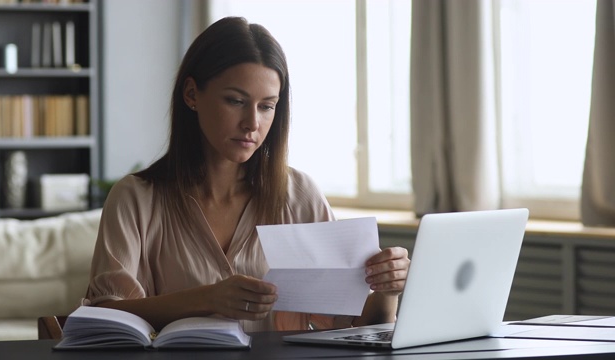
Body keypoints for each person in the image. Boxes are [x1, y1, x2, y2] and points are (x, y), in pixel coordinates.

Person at [84, 16, 410, 333]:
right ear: (191, 94)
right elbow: (104, 316)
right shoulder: (136, 198)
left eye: (267, 106)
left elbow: (356, 328)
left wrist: (387, 289)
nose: (252, 123)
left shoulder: (300, 196)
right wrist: (206, 298)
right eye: (236, 101)